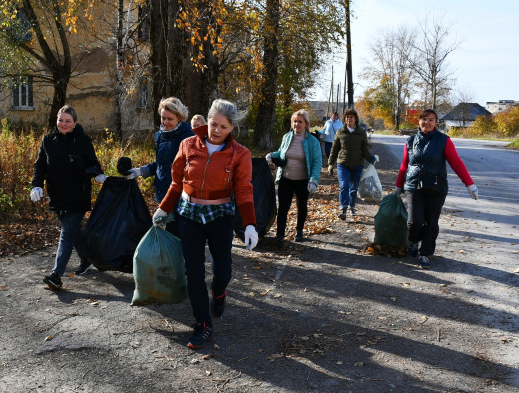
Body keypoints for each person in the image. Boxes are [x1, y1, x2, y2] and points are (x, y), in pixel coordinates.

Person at [153, 99, 258, 349]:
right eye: (213, 124)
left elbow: (243, 189)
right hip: (189, 214)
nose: (216, 130)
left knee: (223, 270)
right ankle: (203, 324)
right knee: (194, 271)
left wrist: (251, 224)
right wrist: (163, 209)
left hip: (220, 215)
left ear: (231, 127)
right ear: (207, 121)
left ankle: (219, 293)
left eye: (223, 126)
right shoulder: (188, 144)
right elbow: (176, 183)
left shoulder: (240, 154)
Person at [30, 105, 106, 290]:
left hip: (78, 195)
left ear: (75, 123)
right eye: (60, 120)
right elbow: (40, 165)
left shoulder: (83, 141)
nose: (63, 124)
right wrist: (37, 185)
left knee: (66, 233)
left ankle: (56, 275)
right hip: (57, 195)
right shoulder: (48, 141)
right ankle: (87, 260)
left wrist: (97, 174)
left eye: (68, 121)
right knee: (74, 231)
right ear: (57, 121)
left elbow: (93, 163)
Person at [394, 109, 478, 269]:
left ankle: (425, 254)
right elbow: (405, 165)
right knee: (415, 222)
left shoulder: (444, 141)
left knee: (431, 223)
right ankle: (413, 240)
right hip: (413, 186)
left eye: (431, 120)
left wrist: (470, 184)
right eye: (424, 119)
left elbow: (457, 163)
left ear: (436, 122)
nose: (427, 123)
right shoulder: (410, 141)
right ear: (419, 121)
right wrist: (399, 186)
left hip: (436, 187)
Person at [126, 97, 194, 236]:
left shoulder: (189, 137)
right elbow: (160, 164)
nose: (166, 122)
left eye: (170, 119)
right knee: (169, 235)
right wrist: (140, 171)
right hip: (163, 192)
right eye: (163, 118)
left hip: (182, 197)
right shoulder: (160, 136)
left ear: (179, 118)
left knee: (178, 236)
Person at [265, 109, 322, 247]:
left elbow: (317, 162)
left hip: (303, 181)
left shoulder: (312, 142)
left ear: (306, 124)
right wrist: (272, 155)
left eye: (300, 121)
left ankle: (299, 231)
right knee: (283, 208)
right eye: (295, 121)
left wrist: (314, 180)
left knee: (301, 206)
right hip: (286, 178)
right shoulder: (287, 137)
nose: (297, 124)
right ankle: (279, 236)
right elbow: (281, 153)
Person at [327, 109, 378, 220]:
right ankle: (343, 209)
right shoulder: (340, 132)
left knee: (353, 187)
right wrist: (330, 163)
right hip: (343, 164)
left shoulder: (361, 133)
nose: (349, 119)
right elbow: (334, 149)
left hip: (357, 164)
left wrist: (371, 159)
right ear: (345, 119)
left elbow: (364, 149)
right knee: (344, 185)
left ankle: (352, 207)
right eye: (347, 117)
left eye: (351, 117)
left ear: (355, 119)